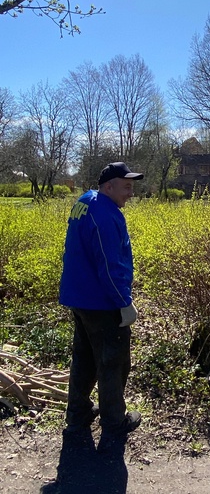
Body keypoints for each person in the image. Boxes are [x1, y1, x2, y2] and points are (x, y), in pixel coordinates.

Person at [59, 161, 144, 439]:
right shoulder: (106, 215)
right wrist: (123, 301)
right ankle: (114, 422)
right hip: (102, 301)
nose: (130, 193)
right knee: (113, 362)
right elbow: (109, 264)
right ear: (109, 186)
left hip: (79, 297)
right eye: (126, 186)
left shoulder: (84, 201)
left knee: (84, 358)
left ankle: (78, 414)